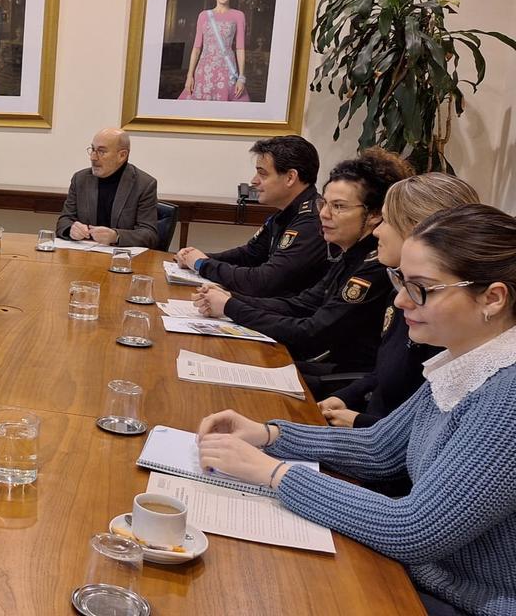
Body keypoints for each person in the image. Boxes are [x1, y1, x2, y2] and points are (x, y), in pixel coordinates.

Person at [196, 203, 516, 616]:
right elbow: (379, 450)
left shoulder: (506, 393)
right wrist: (269, 435)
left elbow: (413, 529)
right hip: (426, 576)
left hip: (469, 602)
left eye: (421, 287)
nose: (400, 300)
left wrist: (272, 473)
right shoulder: (466, 361)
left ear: (492, 297)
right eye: (400, 280)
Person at [194, 149, 413, 393]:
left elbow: (311, 334)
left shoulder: (374, 265)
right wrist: (229, 299)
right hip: (336, 369)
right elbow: (301, 304)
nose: (324, 215)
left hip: (350, 383)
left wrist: (229, 306)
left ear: (373, 215)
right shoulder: (349, 252)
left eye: (338, 206)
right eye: (325, 204)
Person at [318, 173, 479, 429]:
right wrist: (345, 396)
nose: (377, 230)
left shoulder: (445, 312)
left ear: (421, 230)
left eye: (387, 221)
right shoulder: (401, 290)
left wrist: (360, 422)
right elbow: (384, 370)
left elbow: (423, 427)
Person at [176, 135, 326, 297]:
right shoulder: (285, 213)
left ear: (290, 177)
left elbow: (262, 282)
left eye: (263, 174)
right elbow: (250, 255)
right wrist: (197, 258)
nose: (253, 181)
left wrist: (202, 264)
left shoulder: (313, 221)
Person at [55, 127, 158, 248]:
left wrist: (116, 236)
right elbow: (64, 220)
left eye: (101, 151)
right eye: (93, 149)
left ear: (122, 155)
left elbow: (149, 235)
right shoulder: (80, 179)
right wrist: (70, 229)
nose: (93, 157)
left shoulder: (144, 184)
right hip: (83, 255)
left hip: (122, 259)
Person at [179, 0, 250, 102]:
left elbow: (240, 49)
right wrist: (190, 75)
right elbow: (196, 48)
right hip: (204, 70)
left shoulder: (238, 16)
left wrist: (241, 77)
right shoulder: (204, 16)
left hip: (227, 71)